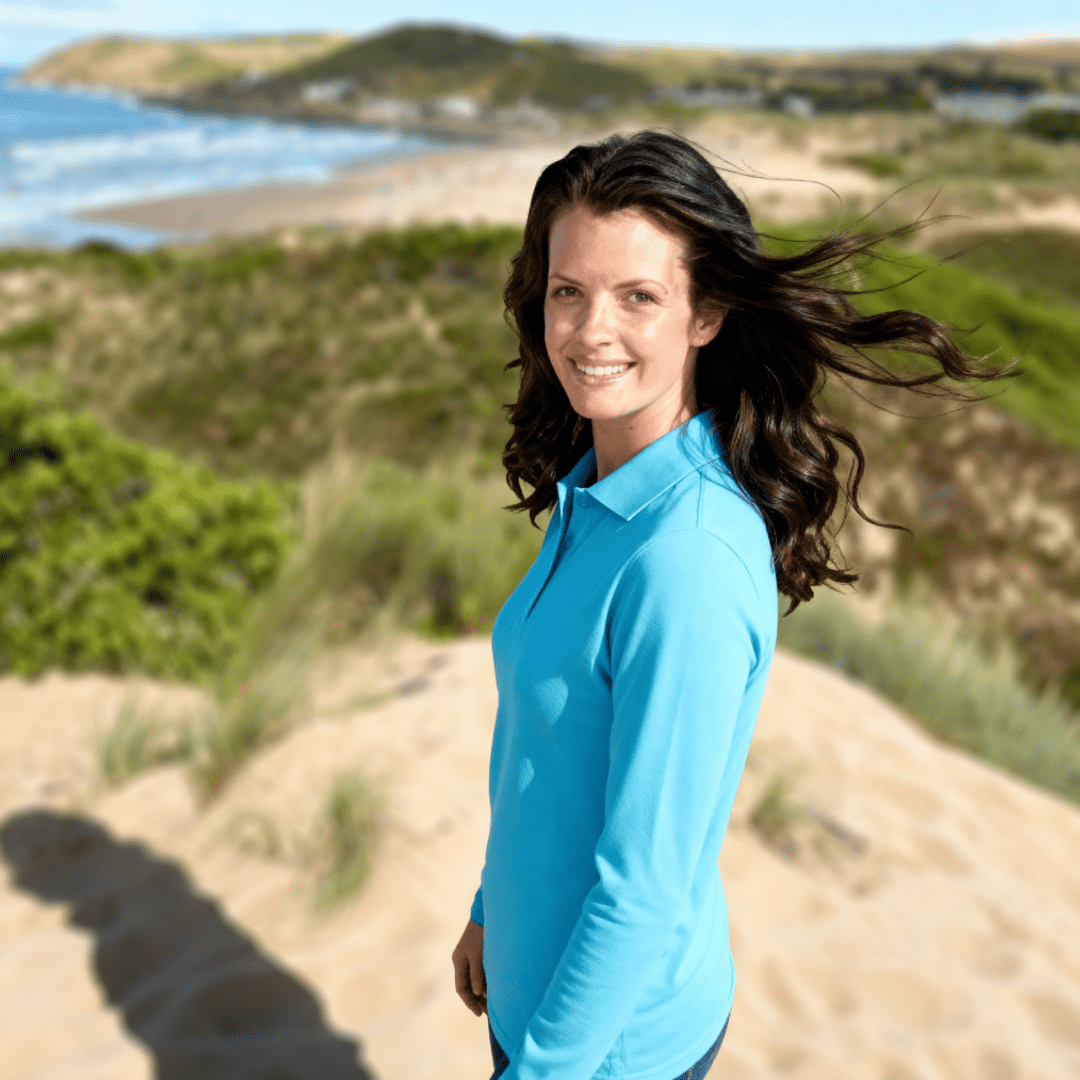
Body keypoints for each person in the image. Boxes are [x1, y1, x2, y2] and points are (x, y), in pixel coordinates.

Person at [451, 130, 999, 1080]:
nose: (590, 331)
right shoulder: (601, 489)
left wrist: (537, 1072)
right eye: (568, 290)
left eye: (639, 297)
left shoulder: (685, 559)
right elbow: (545, 755)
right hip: (538, 1000)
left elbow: (644, 887)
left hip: (606, 1052)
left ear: (704, 315)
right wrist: (490, 909)